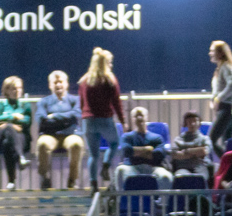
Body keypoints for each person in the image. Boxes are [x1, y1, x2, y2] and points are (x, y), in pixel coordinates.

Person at [79, 48, 125, 192]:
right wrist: (123, 121)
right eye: (110, 62)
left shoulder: (84, 80)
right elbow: (116, 102)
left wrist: (86, 114)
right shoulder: (109, 79)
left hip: (88, 120)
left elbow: (81, 102)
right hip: (105, 119)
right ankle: (106, 165)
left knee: (93, 154)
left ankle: (93, 185)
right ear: (105, 63)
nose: (111, 65)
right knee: (114, 143)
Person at [34, 70, 84, 190]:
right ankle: (45, 178)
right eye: (55, 82)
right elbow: (40, 118)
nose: (58, 85)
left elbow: (76, 114)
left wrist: (53, 116)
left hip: (70, 134)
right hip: (50, 135)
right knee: (42, 144)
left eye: (60, 82)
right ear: (50, 85)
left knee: (76, 144)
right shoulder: (43, 102)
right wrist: (65, 118)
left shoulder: (75, 100)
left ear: (66, 84)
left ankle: (72, 180)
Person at [0, 76, 33, 189]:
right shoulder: (0, 104)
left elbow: (27, 122)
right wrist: (13, 117)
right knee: (9, 129)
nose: (17, 91)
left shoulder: (25, 105)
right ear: (7, 90)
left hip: (20, 139)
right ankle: (21, 158)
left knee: (7, 142)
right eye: (14, 88)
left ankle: (11, 182)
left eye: (19, 88)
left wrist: (5, 122)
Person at [115, 108, 172, 189]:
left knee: (166, 176)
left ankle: (163, 202)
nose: (139, 118)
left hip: (153, 167)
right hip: (132, 167)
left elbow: (159, 154)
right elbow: (126, 151)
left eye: (141, 115)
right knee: (120, 171)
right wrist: (148, 149)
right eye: (136, 116)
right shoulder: (126, 137)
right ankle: (121, 200)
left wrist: (135, 152)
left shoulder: (157, 137)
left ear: (146, 117)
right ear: (132, 119)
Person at [208, 40, 232, 158]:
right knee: (227, 142)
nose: (210, 53)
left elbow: (231, 86)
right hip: (226, 108)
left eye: (212, 51)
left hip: (228, 108)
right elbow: (218, 88)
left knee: (211, 140)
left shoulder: (226, 67)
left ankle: (227, 163)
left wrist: (218, 99)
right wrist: (213, 99)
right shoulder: (221, 68)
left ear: (220, 53)